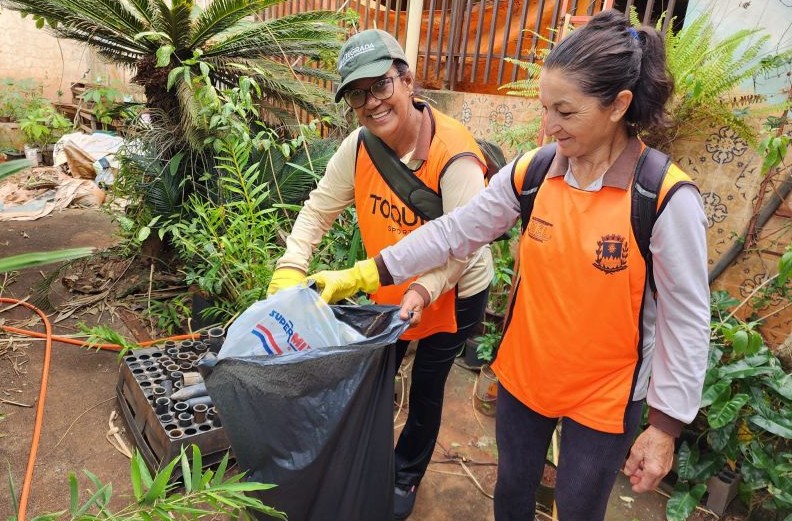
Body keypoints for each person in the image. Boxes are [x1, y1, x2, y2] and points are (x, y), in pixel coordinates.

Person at [309, 10, 710, 521]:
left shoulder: (662, 198)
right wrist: (366, 274)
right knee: (512, 496)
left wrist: (665, 427)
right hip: (525, 378)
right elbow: (454, 231)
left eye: (565, 112)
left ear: (618, 105)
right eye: (545, 108)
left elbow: (686, 319)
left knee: (578, 508)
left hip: (605, 396)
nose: (549, 126)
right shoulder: (535, 172)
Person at [266, 29, 494, 520]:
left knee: (427, 386)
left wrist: (423, 288)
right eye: (356, 94)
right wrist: (290, 265)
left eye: (381, 85)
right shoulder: (359, 148)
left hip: (455, 288)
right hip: (385, 283)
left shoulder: (455, 156)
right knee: (372, 376)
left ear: (407, 81)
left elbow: (463, 246)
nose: (371, 102)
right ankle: (363, 460)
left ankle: (405, 473)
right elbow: (318, 209)